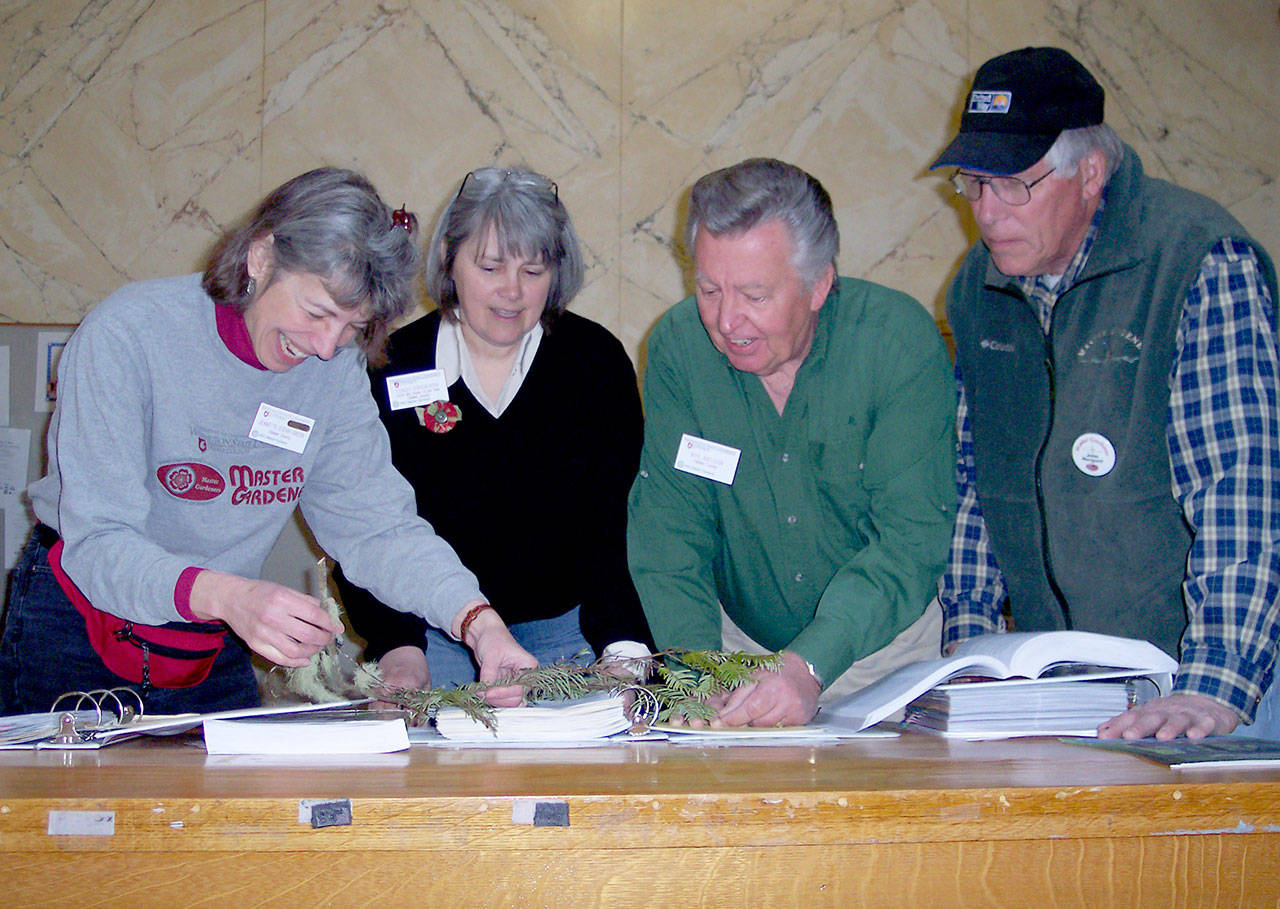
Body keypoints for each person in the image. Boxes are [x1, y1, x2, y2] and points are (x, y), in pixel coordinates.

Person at [0, 167, 537, 717]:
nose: (327, 347)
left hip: (211, 631)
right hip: (77, 626)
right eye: (317, 312)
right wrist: (231, 596)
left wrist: (478, 621)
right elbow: (100, 543)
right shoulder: (128, 334)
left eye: (353, 327)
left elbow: (378, 528)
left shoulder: (334, 370)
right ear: (261, 258)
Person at [932, 47, 1280, 740]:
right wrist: (971, 648)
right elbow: (973, 482)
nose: (988, 213)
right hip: (1068, 683)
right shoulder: (979, 285)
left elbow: (1241, 487)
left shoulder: (1197, 260)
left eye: (1015, 186)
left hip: (1203, 673)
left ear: (1091, 172)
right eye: (973, 185)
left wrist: (1216, 683)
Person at [627, 158, 955, 727]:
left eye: (755, 294)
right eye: (708, 288)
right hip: (731, 655)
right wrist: (695, 672)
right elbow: (669, 529)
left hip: (880, 657)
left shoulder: (897, 345)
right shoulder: (679, 348)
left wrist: (810, 665)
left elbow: (909, 540)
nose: (727, 320)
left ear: (820, 283)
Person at [333, 165, 653, 690]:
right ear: (447, 260)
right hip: (434, 633)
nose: (512, 292)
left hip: (570, 635)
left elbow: (612, 525)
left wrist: (623, 645)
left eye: (534, 271)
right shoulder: (390, 363)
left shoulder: (593, 362)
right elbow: (368, 523)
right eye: (490, 267)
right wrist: (398, 648)